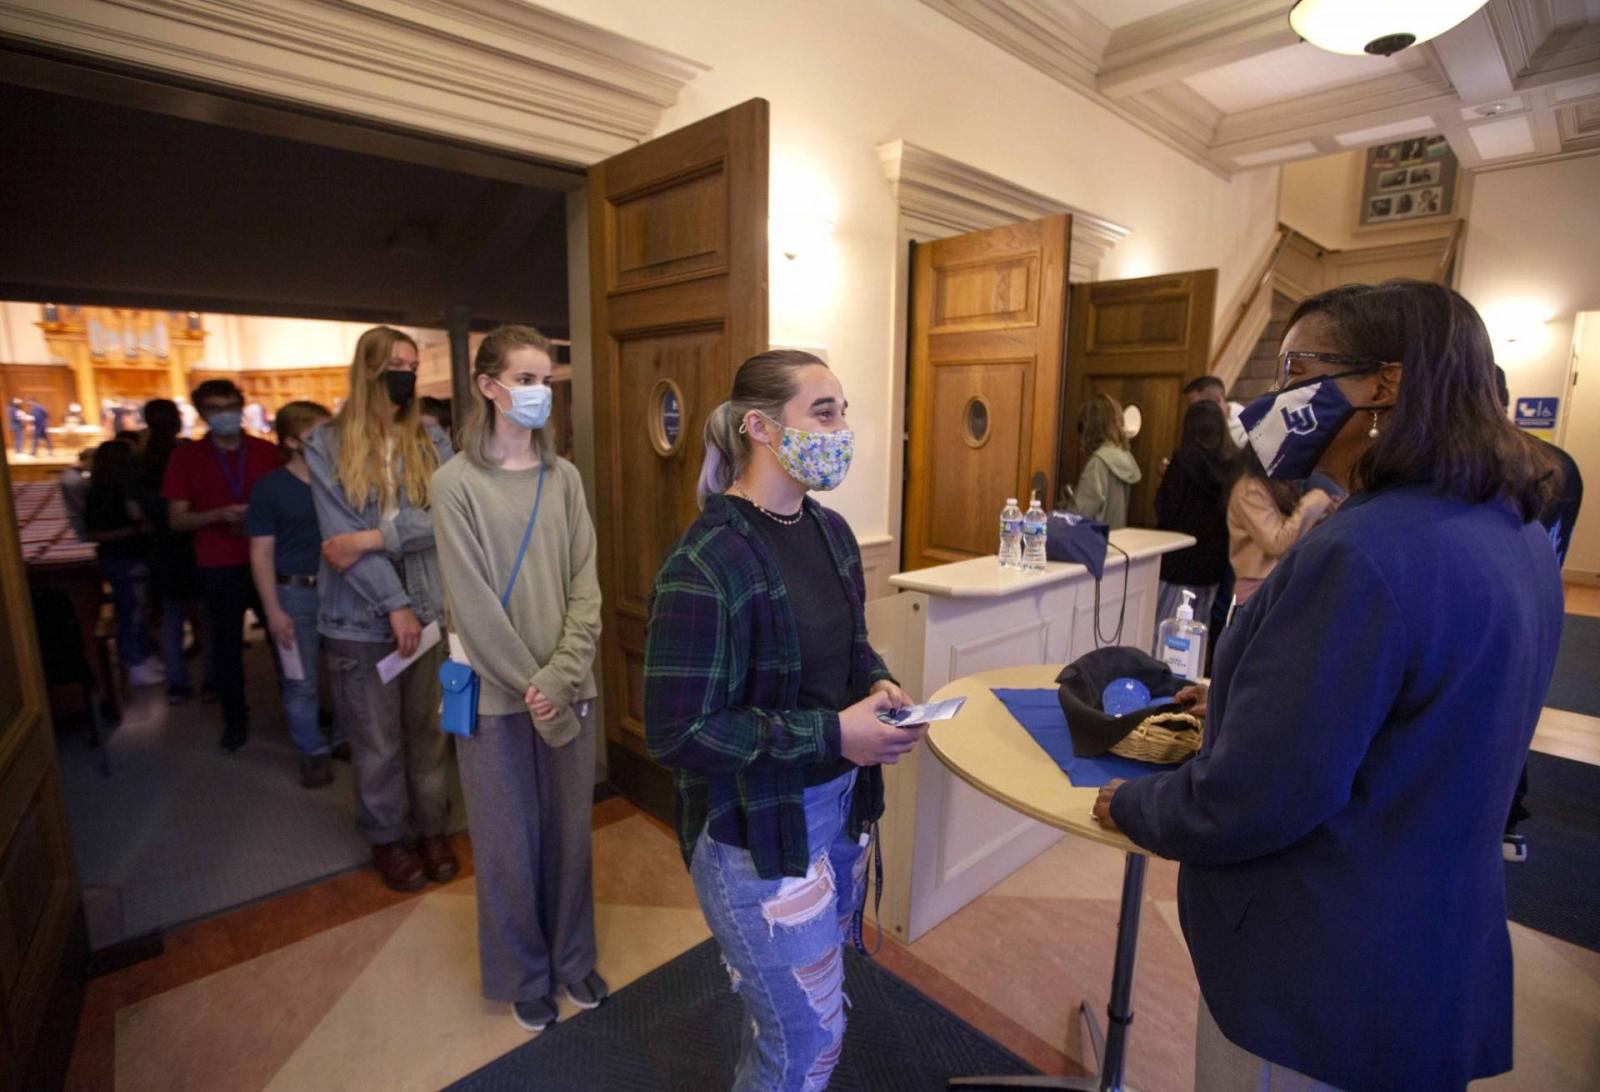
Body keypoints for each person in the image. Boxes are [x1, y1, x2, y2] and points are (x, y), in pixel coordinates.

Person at [1093, 280, 1564, 1092]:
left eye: (1297, 369)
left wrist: (1134, 806)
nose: (1276, 395)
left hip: (1318, 965)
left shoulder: (1362, 551)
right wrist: (1248, 700)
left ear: (1383, 384)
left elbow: (1257, 795)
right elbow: (1422, 706)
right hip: (1432, 943)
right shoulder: (1512, 526)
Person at [644, 349, 923, 1091]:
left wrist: (878, 682)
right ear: (760, 428)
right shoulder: (705, 562)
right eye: (823, 413)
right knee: (808, 1040)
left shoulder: (828, 531)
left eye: (842, 412)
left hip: (841, 812)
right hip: (757, 829)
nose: (842, 430)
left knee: (806, 1002)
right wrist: (835, 734)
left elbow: (849, 645)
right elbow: (678, 732)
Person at [433, 325, 606, 1032]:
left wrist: (561, 677)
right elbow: (471, 604)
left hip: (568, 689)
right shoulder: (454, 485)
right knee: (507, 845)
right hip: (498, 699)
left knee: (570, 837)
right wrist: (532, 685)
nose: (538, 394)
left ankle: (572, 959)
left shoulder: (563, 479)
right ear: (488, 386)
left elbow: (585, 588)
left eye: (546, 381)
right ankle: (525, 974)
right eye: (526, 380)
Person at [305, 325, 457, 892]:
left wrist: (374, 539)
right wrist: (393, 605)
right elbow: (334, 536)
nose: (406, 374)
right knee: (377, 742)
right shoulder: (324, 443)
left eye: (412, 365)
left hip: (431, 607)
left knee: (429, 732)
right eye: (395, 363)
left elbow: (445, 517)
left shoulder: (433, 439)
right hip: (357, 618)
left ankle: (433, 827)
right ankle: (388, 838)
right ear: (367, 369)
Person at [1495, 366, 1584, 862]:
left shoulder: (1494, 462)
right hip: (1540, 601)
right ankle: (1508, 820)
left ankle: (1503, 817)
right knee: (1517, 712)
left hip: (1498, 609)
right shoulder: (1558, 460)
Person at [162, 379, 279, 751]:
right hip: (218, 563)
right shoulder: (186, 457)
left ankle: (302, 713)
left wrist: (261, 516)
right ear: (202, 414)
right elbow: (176, 520)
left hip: (271, 560)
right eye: (214, 408)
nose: (224, 413)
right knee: (226, 647)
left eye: (230, 405)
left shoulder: (265, 451)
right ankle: (235, 721)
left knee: (285, 640)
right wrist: (217, 515)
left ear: (241, 406)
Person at [248, 401, 348, 788]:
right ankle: (312, 750)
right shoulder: (271, 487)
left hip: (341, 589)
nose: (327, 442)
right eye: (315, 436)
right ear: (291, 441)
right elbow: (261, 551)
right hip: (295, 593)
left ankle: (343, 738)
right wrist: (273, 610)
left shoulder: (340, 480)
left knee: (346, 676)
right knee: (300, 680)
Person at [85, 440, 164, 686]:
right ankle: (134, 662)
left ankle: (142, 655)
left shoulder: (118, 489)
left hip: (129, 555)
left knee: (138, 608)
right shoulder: (103, 493)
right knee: (131, 609)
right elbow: (94, 533)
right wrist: (134, 531)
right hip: (123, 556)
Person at [1153, 400, 1235, 628]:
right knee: (1197, 633)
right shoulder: (1232, 465)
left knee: (1165, 631)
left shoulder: (1183, 460)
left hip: (1179, 562)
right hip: (1214, 563)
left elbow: (1165, 510)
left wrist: (1165, 480)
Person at [138, 399, 197, 704]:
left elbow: (135, 511)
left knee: (171, 617)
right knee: (204, 613)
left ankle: (177, 682)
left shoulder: (141, 459)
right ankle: (212, 679)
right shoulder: (185, 453)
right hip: (190, 541)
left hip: (160, 545)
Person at [1225, 447, 1334, 607]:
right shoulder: (1249, 489)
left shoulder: (1278, 485)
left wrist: (1323, 514)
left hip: (1282, 582)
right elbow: (1276, 544)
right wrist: (1311, 505)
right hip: (1256, 589)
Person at [1068, 393, 1141, 528]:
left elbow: (1079, 514)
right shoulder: (1124, 455)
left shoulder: (1099, 462)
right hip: (1117, 539)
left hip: (1094, 542)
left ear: (1091, 426)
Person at [1183, 374, 1248, 448]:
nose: (1194, 412)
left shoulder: (1247, 426)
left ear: (1218, 399)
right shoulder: (1198, 426)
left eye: (1199, 405)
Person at [59, 447, 95, 541]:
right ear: (89, 460)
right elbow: (80, 505)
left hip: (79, 516)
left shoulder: (76, 473)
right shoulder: (73, 479)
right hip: (81, 519)